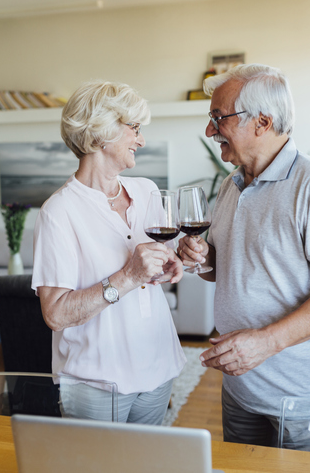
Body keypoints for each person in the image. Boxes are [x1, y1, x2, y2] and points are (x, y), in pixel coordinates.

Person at [178, 64, 310, 447]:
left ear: (262, 121)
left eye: (218, 118)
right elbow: (230, 266)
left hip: (306, 397)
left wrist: (265, 342)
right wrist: (205, 257)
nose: (210, 130)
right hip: (243, 390)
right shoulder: (232, 184)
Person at [31, 80, 186, 424]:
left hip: (159, 366)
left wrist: (177, 261)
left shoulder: (146, 192)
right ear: (100, 133)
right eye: (134, 128)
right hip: (97, 382)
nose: (141, 139)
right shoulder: (58, 212)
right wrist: (128, 276)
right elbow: (55, 314)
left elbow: (160, 269)